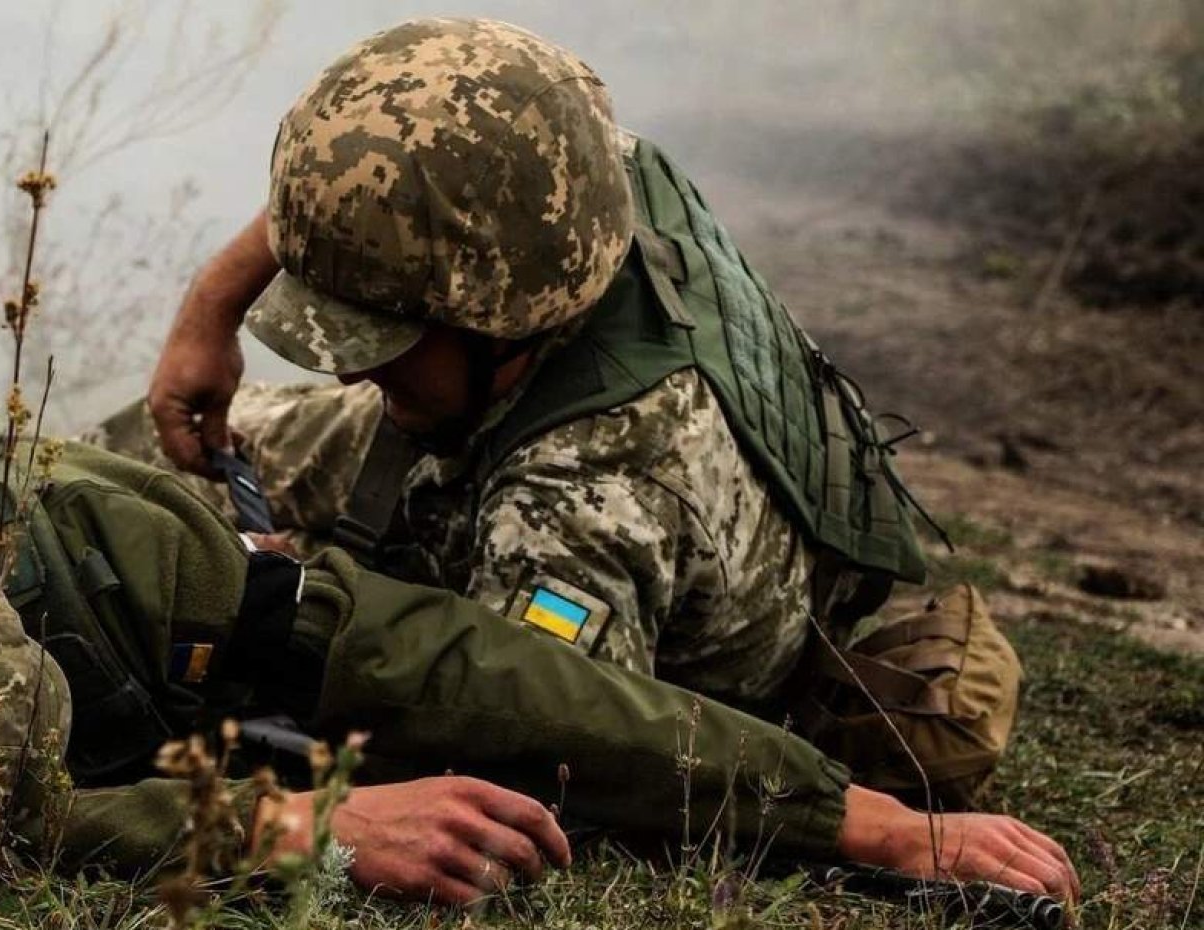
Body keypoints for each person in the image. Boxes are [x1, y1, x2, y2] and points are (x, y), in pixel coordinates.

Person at [91, 13, 1059, 894]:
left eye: (383, 343)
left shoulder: (583, 501)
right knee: (134, 465)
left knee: (194, 587)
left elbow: (547, 742)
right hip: (500, 411)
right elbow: (381, 189)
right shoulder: (564, 178)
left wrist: (292, 628)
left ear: (494, 314)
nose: (352, 376)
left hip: (616, 568)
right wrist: (208, 313)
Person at [0, 393, 1070, 905]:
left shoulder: (126, 553)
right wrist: (287, 825)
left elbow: (473, 669)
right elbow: (1, 824)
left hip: (13, 522)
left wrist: (858, 816)